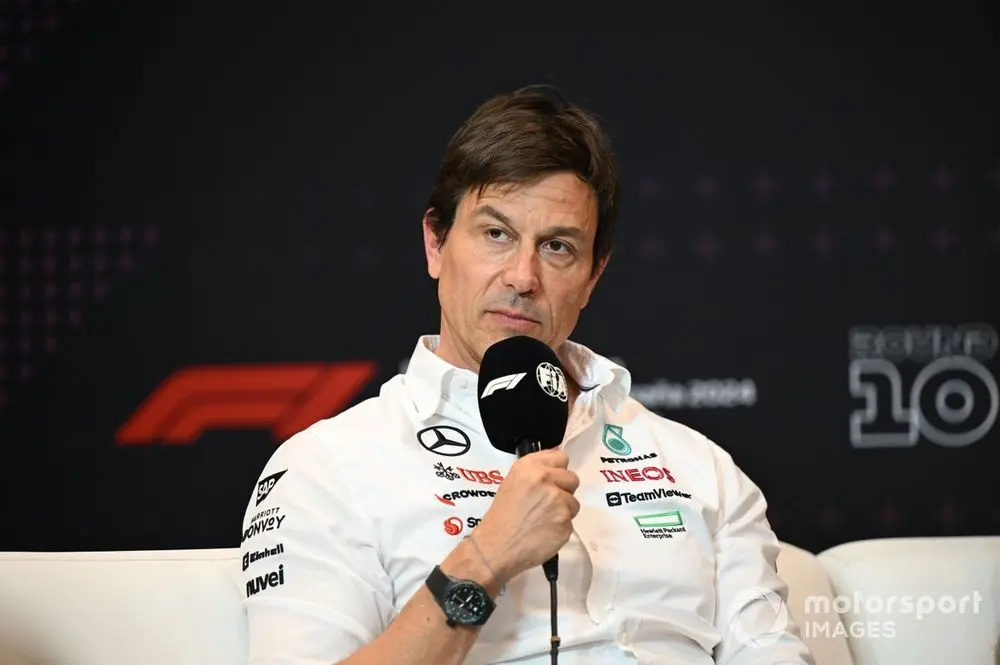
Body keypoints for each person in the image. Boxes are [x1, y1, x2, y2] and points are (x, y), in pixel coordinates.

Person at [240, 84, 815, 665]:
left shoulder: (703, 470)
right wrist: (485, 559)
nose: (523, 276)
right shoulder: (327, 468)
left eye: (558, 247)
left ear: (593, 276)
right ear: (436, 243)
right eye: (497, 234)